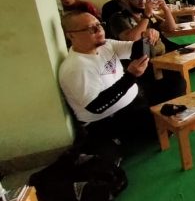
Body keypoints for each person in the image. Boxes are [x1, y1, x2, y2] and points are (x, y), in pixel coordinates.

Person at [58, 11, 184, 144]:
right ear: (71, 35)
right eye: (91, 28)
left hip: (135, 99)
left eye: (99, 25)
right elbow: (96, 107)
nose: (99, 30)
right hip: (110, 119)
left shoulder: (105, 45)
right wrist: (130, 76)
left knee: (175, 81)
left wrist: (149, 39)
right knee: (166, 122)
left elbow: (140, 50)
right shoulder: (75, 67)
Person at [108, 0, 177, 55]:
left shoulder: (145, 14)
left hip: (160, 50)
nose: (142, 0)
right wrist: (146, 16)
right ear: (126, 1)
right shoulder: (118, 17)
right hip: (141, 54)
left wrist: (165, 8)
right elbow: (132, 39)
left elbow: (171, 27)